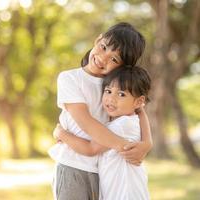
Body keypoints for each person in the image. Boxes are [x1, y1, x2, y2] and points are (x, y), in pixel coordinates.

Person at [48, 22, 152, 200]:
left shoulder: (114, 87)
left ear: (122, 67)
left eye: (114, 59)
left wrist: (147, 143)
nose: (103, 58)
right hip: (73, 166)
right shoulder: (70, 78)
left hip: (102, 171)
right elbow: (87, 123)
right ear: (97, 40)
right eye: (103, 47)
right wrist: (124, 146)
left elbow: (139, 110)